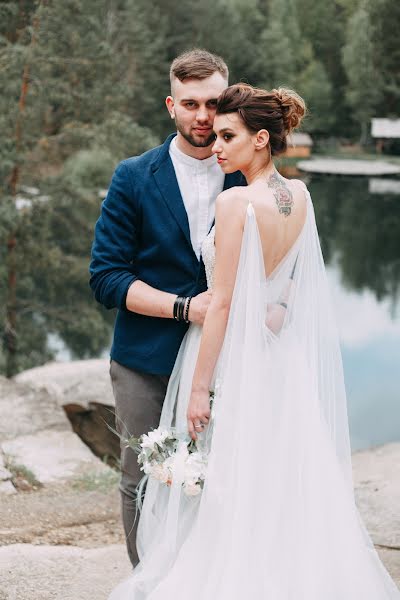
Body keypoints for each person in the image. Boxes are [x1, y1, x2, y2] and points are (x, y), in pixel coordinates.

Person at [108, 83, 400, 599]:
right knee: (271, 475)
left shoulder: (236, 200)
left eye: (228, 135)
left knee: (224, 478)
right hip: (276, 361)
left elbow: (219, 303)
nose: (215, 145)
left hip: (228, 358)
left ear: (260, 139)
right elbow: (289, 281)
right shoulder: (301, 197)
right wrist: (273, 309)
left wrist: (199, 389)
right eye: (215, 135)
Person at [89, 49, 244, 568]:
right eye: (191, 103)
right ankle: (148, 582)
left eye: (214, 103)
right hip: (145, 361)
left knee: (222, 477)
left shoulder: (247, 176)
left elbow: (273, 269)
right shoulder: (133, 176)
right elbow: (106, 277)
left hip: (228, 361)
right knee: (144, 477)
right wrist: (184, 309)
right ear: (170, 105)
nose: (203, 116)